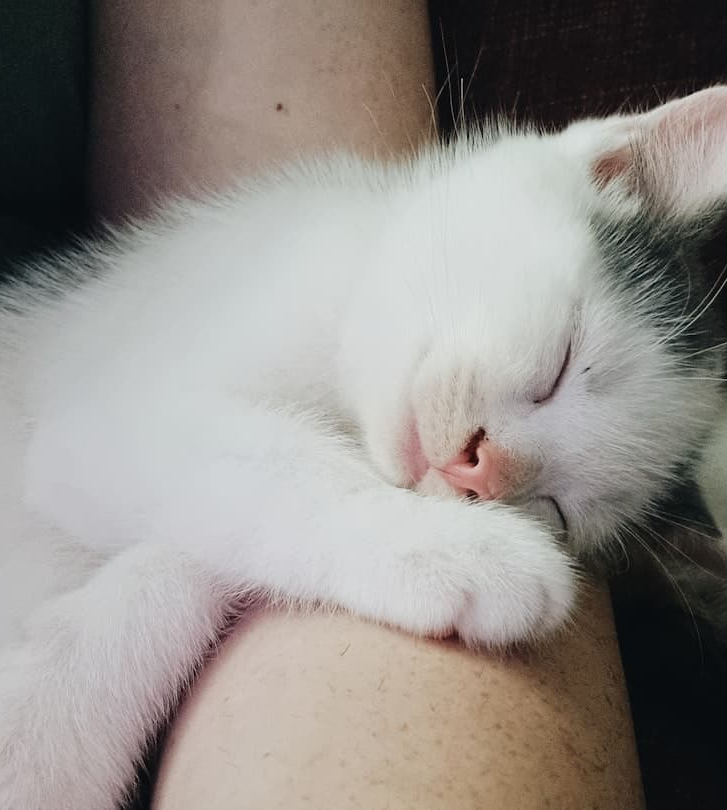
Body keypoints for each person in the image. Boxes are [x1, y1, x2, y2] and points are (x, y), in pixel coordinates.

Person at [82, 2, 645, 807]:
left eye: (553, 507)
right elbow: (90, 446)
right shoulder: (317, 243)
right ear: (609, 169)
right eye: (555, 367)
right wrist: (363, 530)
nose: (496, 474)